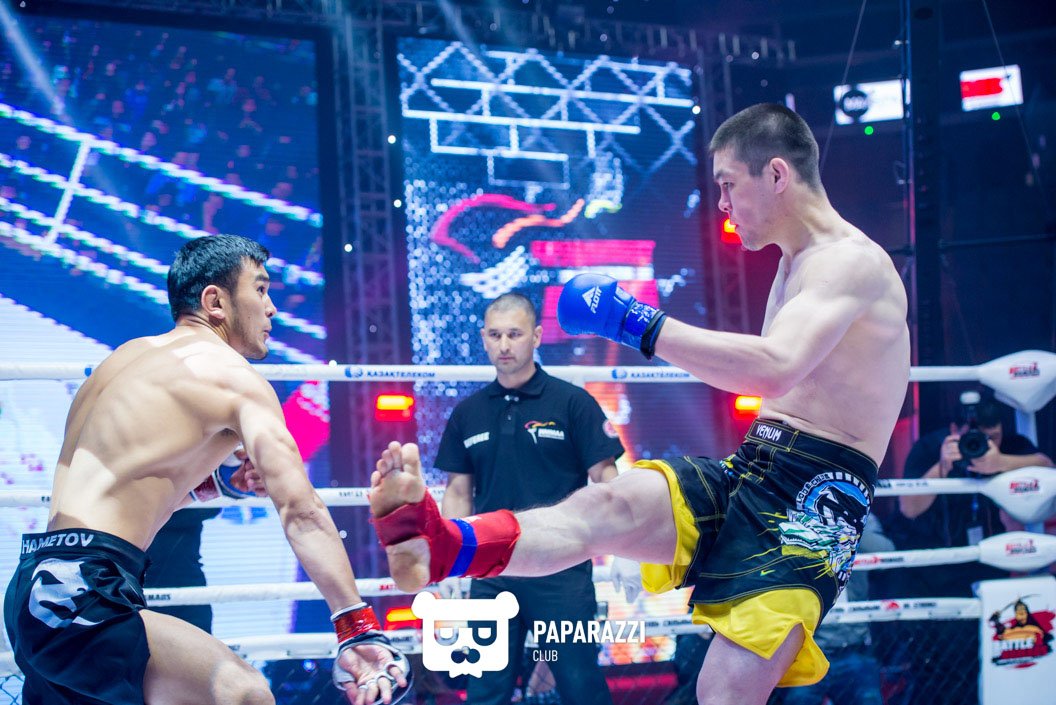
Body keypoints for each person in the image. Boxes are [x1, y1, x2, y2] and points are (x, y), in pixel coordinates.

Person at [368, 103, 911, 705]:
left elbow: (775, 366)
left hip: (813, 502)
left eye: (729, 184)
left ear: (777, 174)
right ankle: (444, 545)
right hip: (757, 463)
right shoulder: (796, 265)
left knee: (723, 694)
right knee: (605, 507)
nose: (722, 204)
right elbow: (762, 375)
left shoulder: (848, 262)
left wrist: (635, 322)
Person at [4, 235, 409, 705]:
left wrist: (219, 486)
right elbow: (302, 511)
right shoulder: (234, 378)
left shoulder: (122, 361)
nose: (272, 308)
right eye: (260, 289)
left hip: (39, 585)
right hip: (85, 591)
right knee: (244, 693)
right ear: (215, 301)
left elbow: (133, 483)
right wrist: (356, 625)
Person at [435, 292, 624, 705]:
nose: (504, 345)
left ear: (536, 336)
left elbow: (606, 481)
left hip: (562, 569)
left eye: (515, 334)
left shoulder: (573, 402)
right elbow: (458, 492)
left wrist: (624, 548)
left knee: (581, 685)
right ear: (484, 339)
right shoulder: (467, 413)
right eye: (495, 335)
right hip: (491, 571)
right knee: (486, 691)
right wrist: (452, 562)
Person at [886, 398, 1053, 705]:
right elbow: (908, 507)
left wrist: (1002, 462)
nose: (984, 444)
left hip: (992, 570)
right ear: (954, 430)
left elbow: (1046, 466)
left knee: (991, 663)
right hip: (934, 572)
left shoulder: (1010, 446)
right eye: (976, 438)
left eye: (993, 436)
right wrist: (941, 468)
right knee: (935, 673)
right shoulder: (931, 448)